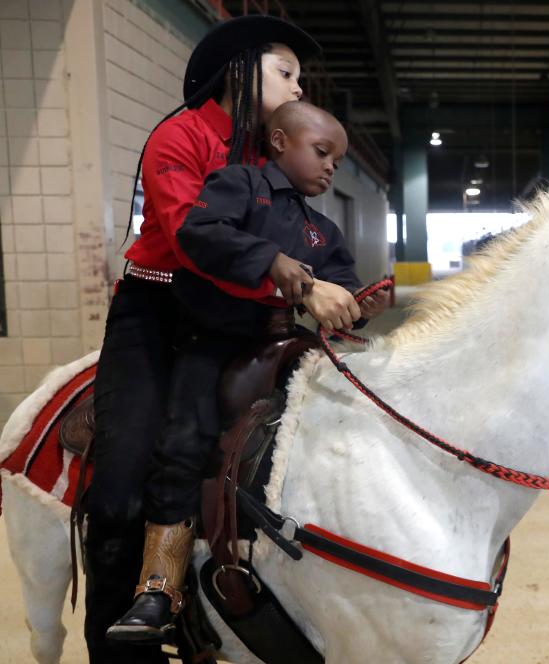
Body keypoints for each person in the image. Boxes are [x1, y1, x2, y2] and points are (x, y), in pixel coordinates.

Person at [84, 16, 328, 664]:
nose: (298, 86)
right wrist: (295, 282)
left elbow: (307, 230)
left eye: (301, 78)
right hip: (158, 312)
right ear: (241, 70)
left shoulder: (275, 153)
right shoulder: (179, 136)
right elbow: (195, 237)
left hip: (240, 317)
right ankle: (121, 644)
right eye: (285, 73)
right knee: (120, 490)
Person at [106, 101, 388, 642]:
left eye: (338, 158)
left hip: (283, 344)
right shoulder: (237, 185)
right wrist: (274, 263)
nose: (331, 166)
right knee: (183, 442)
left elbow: (342, 280)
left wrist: (362, 301)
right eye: (322, 152)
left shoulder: (319, 229)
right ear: (279, 141)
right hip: (211, 340)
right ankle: (159, 587)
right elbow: (200, 234)